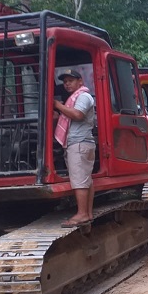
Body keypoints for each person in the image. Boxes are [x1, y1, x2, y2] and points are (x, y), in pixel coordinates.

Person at [54, 69, 96, 228]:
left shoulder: (83, 96)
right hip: (81, 143)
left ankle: (82, 213)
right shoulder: (74, 98)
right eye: (65, 82)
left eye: (70, 80)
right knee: (86, 179)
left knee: (79, 180)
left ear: (80, 82)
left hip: (79, 143)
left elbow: (78, 115)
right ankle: (88, 213)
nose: (67, 84)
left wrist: (58, 105)